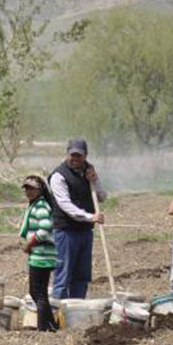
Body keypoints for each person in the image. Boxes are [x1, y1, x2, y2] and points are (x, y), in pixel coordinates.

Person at [47, 137, 106, 300]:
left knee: (81, 276)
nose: (75, 159)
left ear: (85, 156)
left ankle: (77, 311)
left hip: (85, 231)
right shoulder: (58, 176)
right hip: (65, 231)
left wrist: (95, 180)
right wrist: (91, 217)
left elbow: (102, 196)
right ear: (67, 154)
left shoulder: (89, 171)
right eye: (72, 155)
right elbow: (66, 205)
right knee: (63, 275)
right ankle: (58, 317)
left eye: (78, 156)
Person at [18, 175, 58, 331]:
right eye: (27, 188)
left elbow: (45, 227)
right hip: (40, 255)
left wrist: (30, 243)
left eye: (32, 188)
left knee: (37, 292)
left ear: (40, 190)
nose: (29, 191)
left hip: (42, 254)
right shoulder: (35, 205)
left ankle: (43, 327)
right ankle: (51, 325)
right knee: (38, 292)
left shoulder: (40, 206)